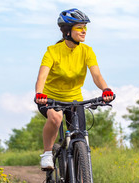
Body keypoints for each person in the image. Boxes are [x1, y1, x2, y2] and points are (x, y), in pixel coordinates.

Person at [34, 8, 114, 170]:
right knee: (56, 119)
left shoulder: (87, 51)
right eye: (79, 27)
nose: (84, 31)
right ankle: (48, 154)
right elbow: (42, 77)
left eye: (85, 27)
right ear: (67, 31)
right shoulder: (52, 51)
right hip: (50, 97)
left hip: (74, 98)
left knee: (80, 136)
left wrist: (105, 89)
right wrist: (39, 93)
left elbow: (97, 75)